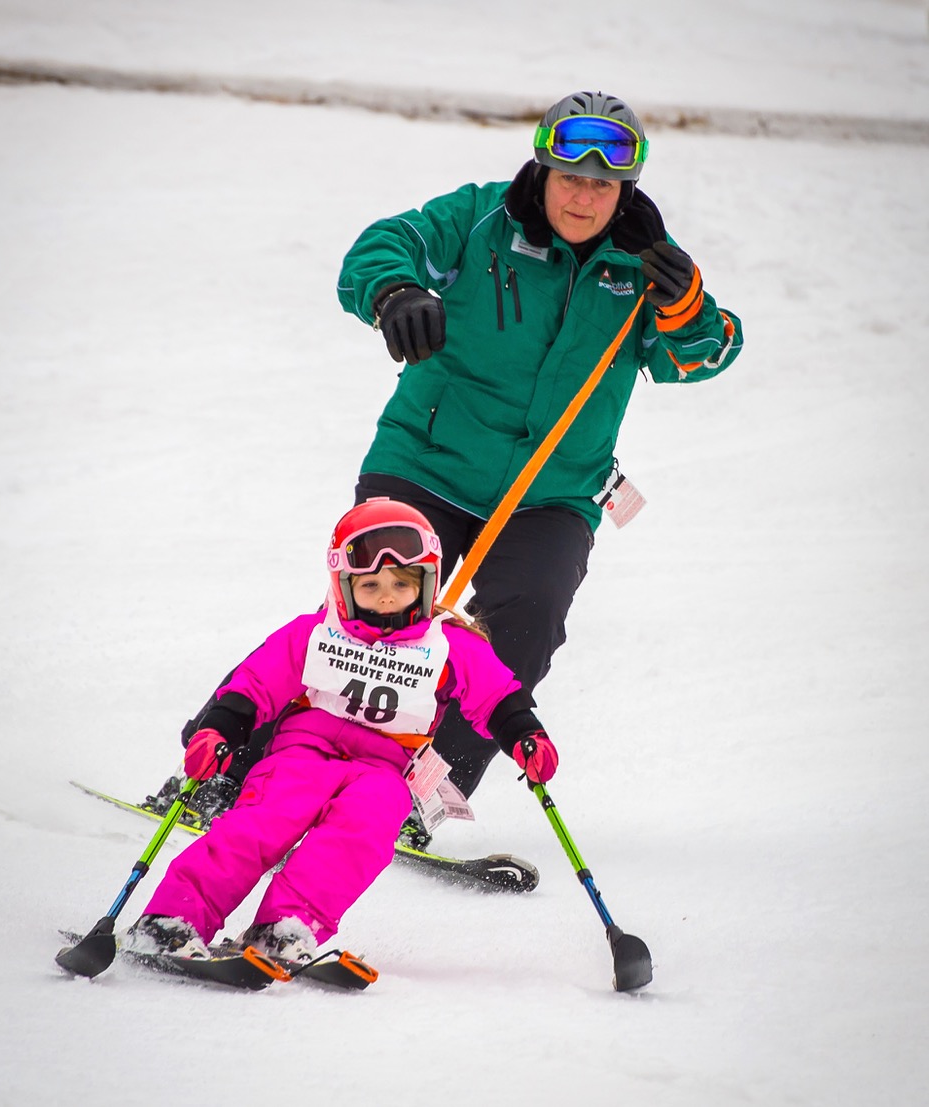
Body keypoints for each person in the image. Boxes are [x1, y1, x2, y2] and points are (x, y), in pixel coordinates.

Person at [336, 89, 744, 801]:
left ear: (625, 190)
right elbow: (381, 243)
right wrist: (394, 291)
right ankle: (251, 772)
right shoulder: (477, 219)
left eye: (602, 184)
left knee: (524, 627)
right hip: (426, 461)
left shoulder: (647, 265)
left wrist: (686, 309)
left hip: (552, 490)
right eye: (570, 178)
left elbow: (705, 353)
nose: (584, 197)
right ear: (542, 172)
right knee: (376, 608)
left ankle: (419, 798)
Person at [125, 498, 558, 962]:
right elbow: (256, 682)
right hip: (301, 753)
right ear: (345, 586)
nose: (387, 595)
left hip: (384, 769)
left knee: (363, 832)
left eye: (401, 583)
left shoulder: (448, 644)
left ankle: (284, 928)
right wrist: (220, 729)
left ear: (427, 582)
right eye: (370, 585)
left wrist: (524, 735)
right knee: (260, 824)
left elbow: (496, 695)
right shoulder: (316, 633)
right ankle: (172, 918)